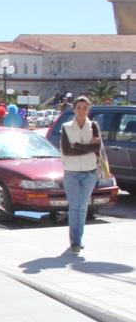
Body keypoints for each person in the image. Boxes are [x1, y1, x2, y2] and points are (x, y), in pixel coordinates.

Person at [60, 96, 101, 254]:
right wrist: (87, 148)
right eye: (79, 108)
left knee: (82, 207)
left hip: (90, 172)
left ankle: (79, 238)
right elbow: (67, 151)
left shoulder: (94, 126)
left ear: (88, 109)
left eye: (85, 108)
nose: (82, 111)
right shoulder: (66, 127)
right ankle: (75, 242)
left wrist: (77, 145)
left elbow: (97, 147)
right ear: (74, 109)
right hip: (72, 172)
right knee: (74, 206)